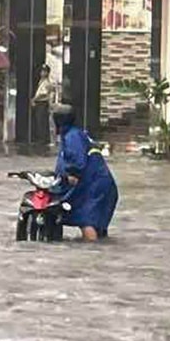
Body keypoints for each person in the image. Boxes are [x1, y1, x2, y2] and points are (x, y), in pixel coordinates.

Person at [52, 104, 119, 242]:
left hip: (94, 186)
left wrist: (73, 174)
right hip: (100, 184)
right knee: (96, 224)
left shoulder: (72, 136)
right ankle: (101, 250)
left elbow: (77, 160)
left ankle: (91, 250)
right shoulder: (76, 134)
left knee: (86, 220)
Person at [32, 64, 55, 152]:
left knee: (41, 122)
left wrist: (34, 99)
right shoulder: (41, 81)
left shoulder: (46, 82)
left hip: (42, 103)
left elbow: (43, 94)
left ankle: (43, 140)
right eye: (42, 71)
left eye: (44, 71)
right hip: (40, 103)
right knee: (40, 121)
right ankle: (42, 139)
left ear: (47, 73)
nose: (42, 73)